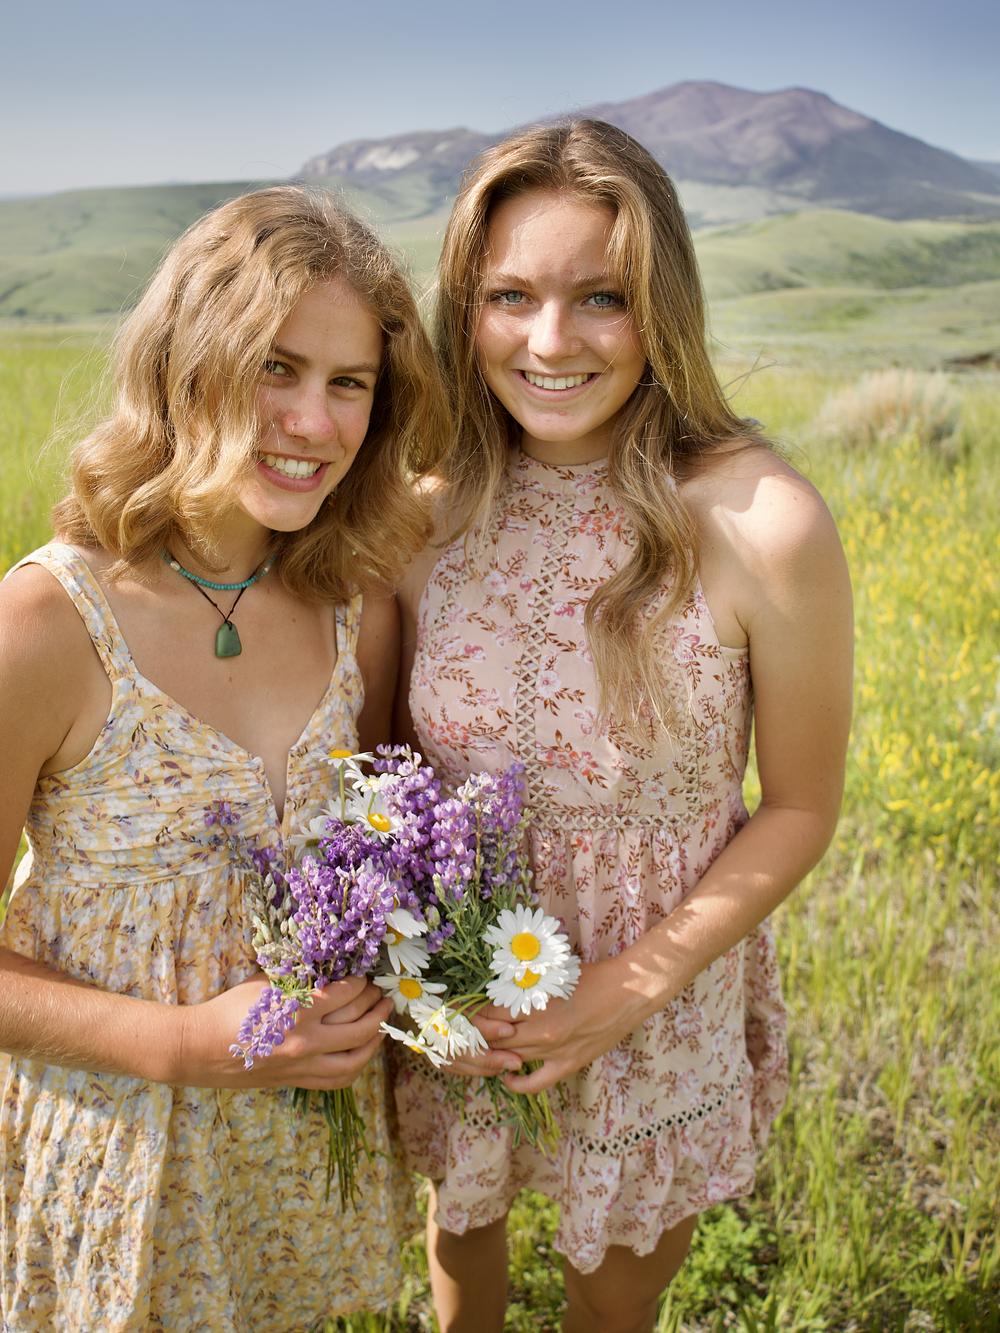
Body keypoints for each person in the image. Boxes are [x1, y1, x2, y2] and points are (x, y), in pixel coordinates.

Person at [393, 121, 853, 1333]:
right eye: (509, 296)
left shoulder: (761, 522)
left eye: (600, 296)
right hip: (467, 984)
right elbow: (387, 770)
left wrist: (630, 986)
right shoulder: (423, 516)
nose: (550, 342)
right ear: (465, 308)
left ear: (662, 306)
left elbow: (800, 806)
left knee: (613, 1300)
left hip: (661, 994)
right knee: (463, 1238)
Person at [0, 186, 448, 1331]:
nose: (312, 422)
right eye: (274, 368)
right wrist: (186, 1045)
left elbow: (380, 863)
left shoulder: (355, 608)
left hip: (296, 1165)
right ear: (184, 366)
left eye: (349, 383)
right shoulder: (49, 624)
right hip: (122, 1158)